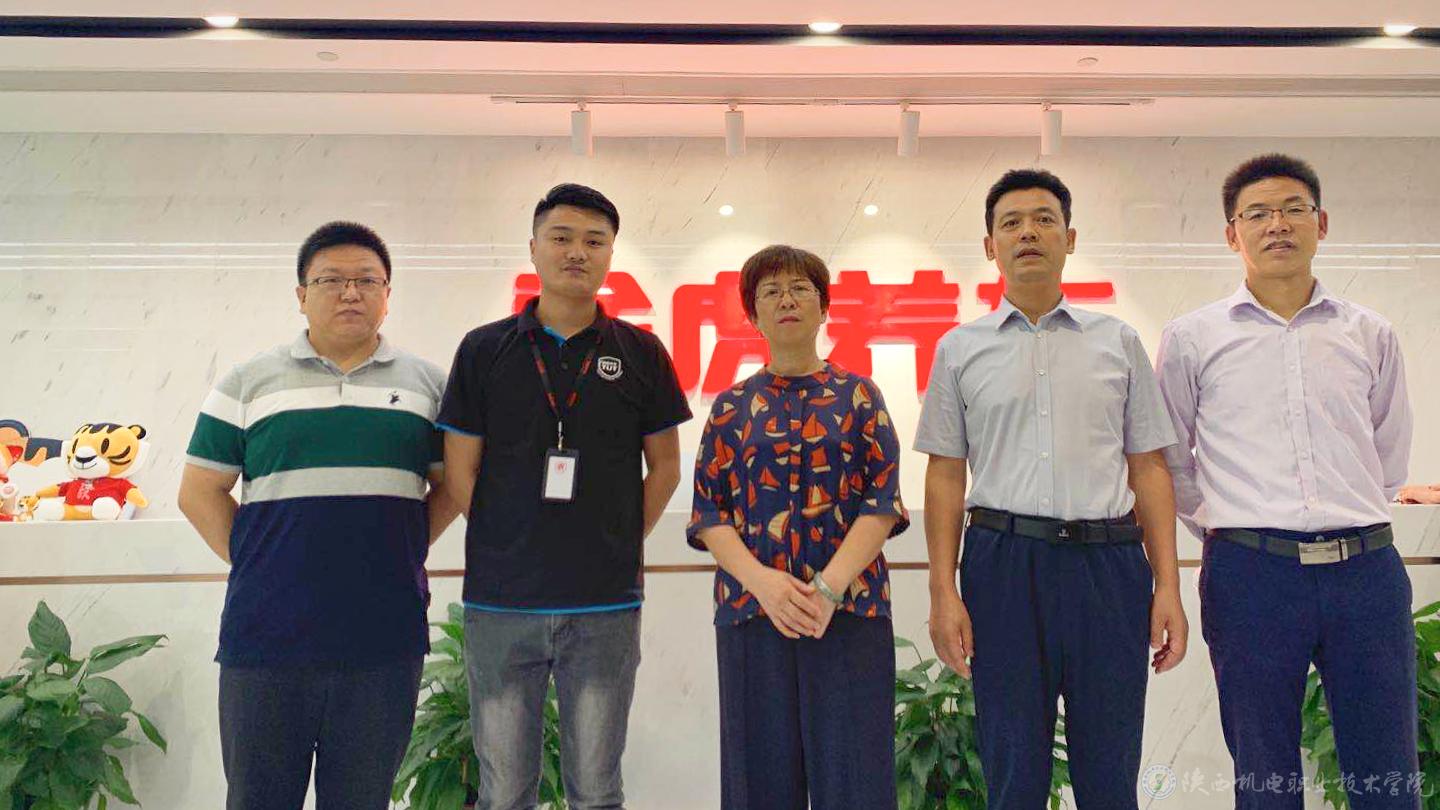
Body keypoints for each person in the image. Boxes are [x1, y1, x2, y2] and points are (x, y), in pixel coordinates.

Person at [915, 169, 1187, 810]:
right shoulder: (959, 348)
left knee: (1110, 768)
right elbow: (946, 474)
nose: (1028, 233)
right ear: (990, 246)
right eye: (1011, 223)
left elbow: (1149, 468)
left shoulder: (1117, 342)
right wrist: (942, 591)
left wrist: (1168, 585)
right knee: (1014, 768)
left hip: (1108, 566)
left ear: (1070, 238)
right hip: (1003, 566)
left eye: (1043, 220)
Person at [1155, 154, 1417, 810]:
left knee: (1386, 766)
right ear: (1232, 233)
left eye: (1294, 209)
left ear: (1321, 223)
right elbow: (1171, 460)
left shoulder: (1369, 333)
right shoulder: (1192, 338)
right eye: (1258, 214)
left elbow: (1387, 455)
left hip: (1366, 571)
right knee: (1263, 768)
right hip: (1251, 576)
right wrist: (1233, 525)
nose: (1278, 224)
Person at [178, 221, 458, 810]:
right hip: (265, 640)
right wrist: (259, 563)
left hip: (383, 641)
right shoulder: (249, 383)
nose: (350, 292)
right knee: (258, 799)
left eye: (367, 280)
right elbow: (200, 491)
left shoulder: (429, 388)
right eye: (331, 280)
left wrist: (404, 547)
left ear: (388, 295)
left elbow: (453, 487)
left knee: (362, 800)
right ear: (302, 295)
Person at [438, 183, 691, 810]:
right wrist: (503, 536)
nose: (577, 252)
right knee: (503, 792)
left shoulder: (640, 352)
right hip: (502, 601)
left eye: (594, 241)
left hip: (605, 603)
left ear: (610, 255)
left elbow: (665, 466)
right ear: (533, 248)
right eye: (561, 237)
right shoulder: (484, 349)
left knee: (597, 790)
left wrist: (620, 539)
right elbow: (460, 468)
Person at [687, 244, 909, 810]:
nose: (786, 300)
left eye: (800, 289)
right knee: (757, 784)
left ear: (824, 306)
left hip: (850, 612)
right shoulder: (731, 407)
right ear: (752, 314)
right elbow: (709, 514)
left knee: (856, 782)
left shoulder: (860, 396)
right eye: (771, 292)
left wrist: (828, 589)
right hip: (752, 614)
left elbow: (882, 502)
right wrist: (764, 584)